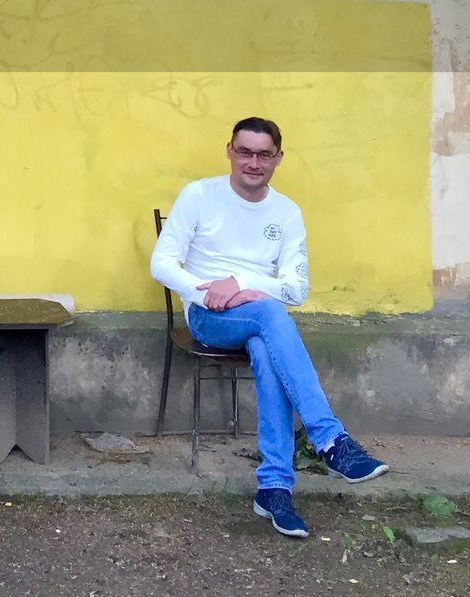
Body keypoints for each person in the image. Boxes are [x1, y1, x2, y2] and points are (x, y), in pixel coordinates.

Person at [149, 117, 388, 538]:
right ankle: (329, 439)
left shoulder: (287, 212)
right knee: (271, 315)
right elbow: (161, 263)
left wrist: (242, 284)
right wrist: (207, 294)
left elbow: (296, 289)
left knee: (265, 338)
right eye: (245, 151)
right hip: (209, 317)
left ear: (278, 157)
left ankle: (274, 487)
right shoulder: (200, 196)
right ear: (229, 151)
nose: (253, 162)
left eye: (264, 154)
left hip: (260, 317)